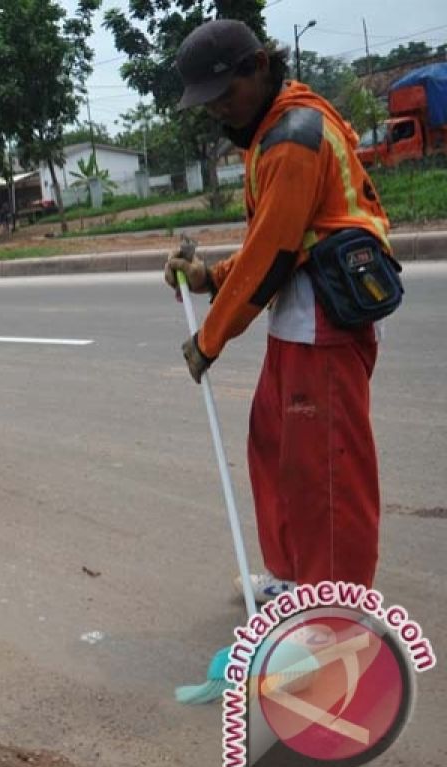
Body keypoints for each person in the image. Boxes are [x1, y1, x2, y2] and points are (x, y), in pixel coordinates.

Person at [164, 20, 392, 600]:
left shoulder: (292, 136)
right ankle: (292, 577)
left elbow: (272, 257)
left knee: (327, 474)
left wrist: (208, 341)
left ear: (259, 66)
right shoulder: (270, 130)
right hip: (297, 320)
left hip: (324, 325)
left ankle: (336, 610)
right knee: (274, 447)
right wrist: (208, 276)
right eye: (208, 104)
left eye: (224, 95)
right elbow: (271, 239)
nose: (218, 111)